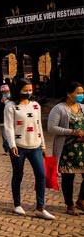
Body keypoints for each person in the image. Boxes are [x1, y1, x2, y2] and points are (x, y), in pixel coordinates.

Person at [4, 78, 54, 220]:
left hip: (35, 145)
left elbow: (38, 126)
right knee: (18, 175)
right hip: (19, 146)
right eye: (25, 89)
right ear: (18, 90)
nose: (28, 92)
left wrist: (43, 145)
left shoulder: (35, 106)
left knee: (41, 175)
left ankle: (40, 207)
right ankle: (17, 204)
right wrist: (12, 145)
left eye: (30, 89)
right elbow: (8, 127)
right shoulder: (11, 106)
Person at [47, 81, 84, 216]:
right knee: (68, 177)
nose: (81, 95)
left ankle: (81, 200)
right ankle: (69, 204)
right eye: (78, 93)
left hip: (82, 147)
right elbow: (52, 128)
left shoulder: (82, 108)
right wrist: (72, 132)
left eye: (82, 93)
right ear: (69, 94)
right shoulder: (59, 109)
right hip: (67, 149)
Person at [0, 84, 12, 153]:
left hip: (11, 119)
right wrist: (1, 102)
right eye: (4, 92)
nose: (6, 93)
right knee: (5, 135)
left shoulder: (12, 100)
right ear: (1, 93)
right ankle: (7, 149)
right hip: (3, 119)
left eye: (7, 91)